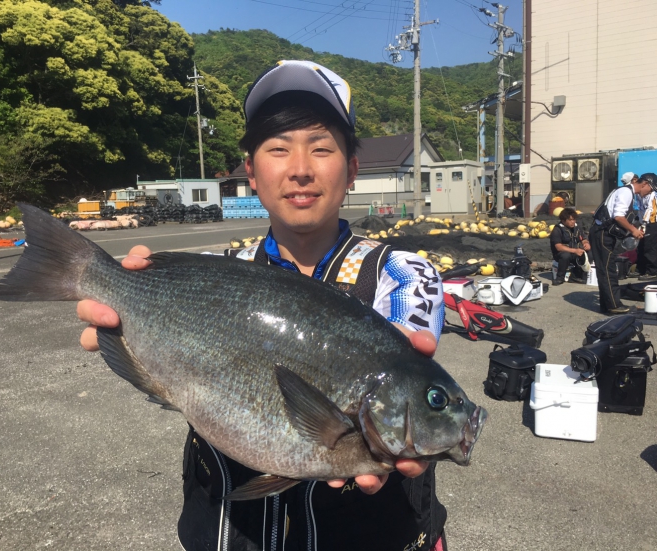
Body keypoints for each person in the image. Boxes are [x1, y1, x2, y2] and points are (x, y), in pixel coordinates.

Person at [76, 60, 448, 551]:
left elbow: (402, 365)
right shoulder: (212, 273)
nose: (300, 168)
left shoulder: (403, 274)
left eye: (321, 148)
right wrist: (120, 307)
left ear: (352, 170)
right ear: (251, 172)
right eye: (278, 148)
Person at [590, 174, 654, 314]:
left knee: (606, 269)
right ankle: (614, 305)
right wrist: (633, 230)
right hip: (602, 233)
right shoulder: (626, 192)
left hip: (603, 232)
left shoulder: (625, 191)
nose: (650, 192)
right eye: (651, 189)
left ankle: (607, 305)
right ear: (644, 184)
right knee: (608, 270)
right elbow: (618, 216)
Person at [549, 207, 591, 285]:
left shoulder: (577, 227)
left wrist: (586, 243)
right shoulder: (557, 230)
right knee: (566, 256)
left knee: (590, 253)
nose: (573, 222)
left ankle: (576, 276)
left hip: (575, 251)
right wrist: (575, 251)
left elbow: (583, 238)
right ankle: (560, 278)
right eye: (570, 220)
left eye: (574, 219)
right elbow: (558, 247)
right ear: (563, 220)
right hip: (561, 254)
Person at [634, 172, 657, 280]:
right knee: (640, 246)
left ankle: (652, 271)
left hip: (652, 223)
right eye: (651, 187)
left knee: (649, 247)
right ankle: (641, 269)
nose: (651, 190)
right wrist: (638, 219)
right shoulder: (638, 194)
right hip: (643, 222)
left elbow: (650, 210)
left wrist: (644, 222)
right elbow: (640, 208)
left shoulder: (651, 195)